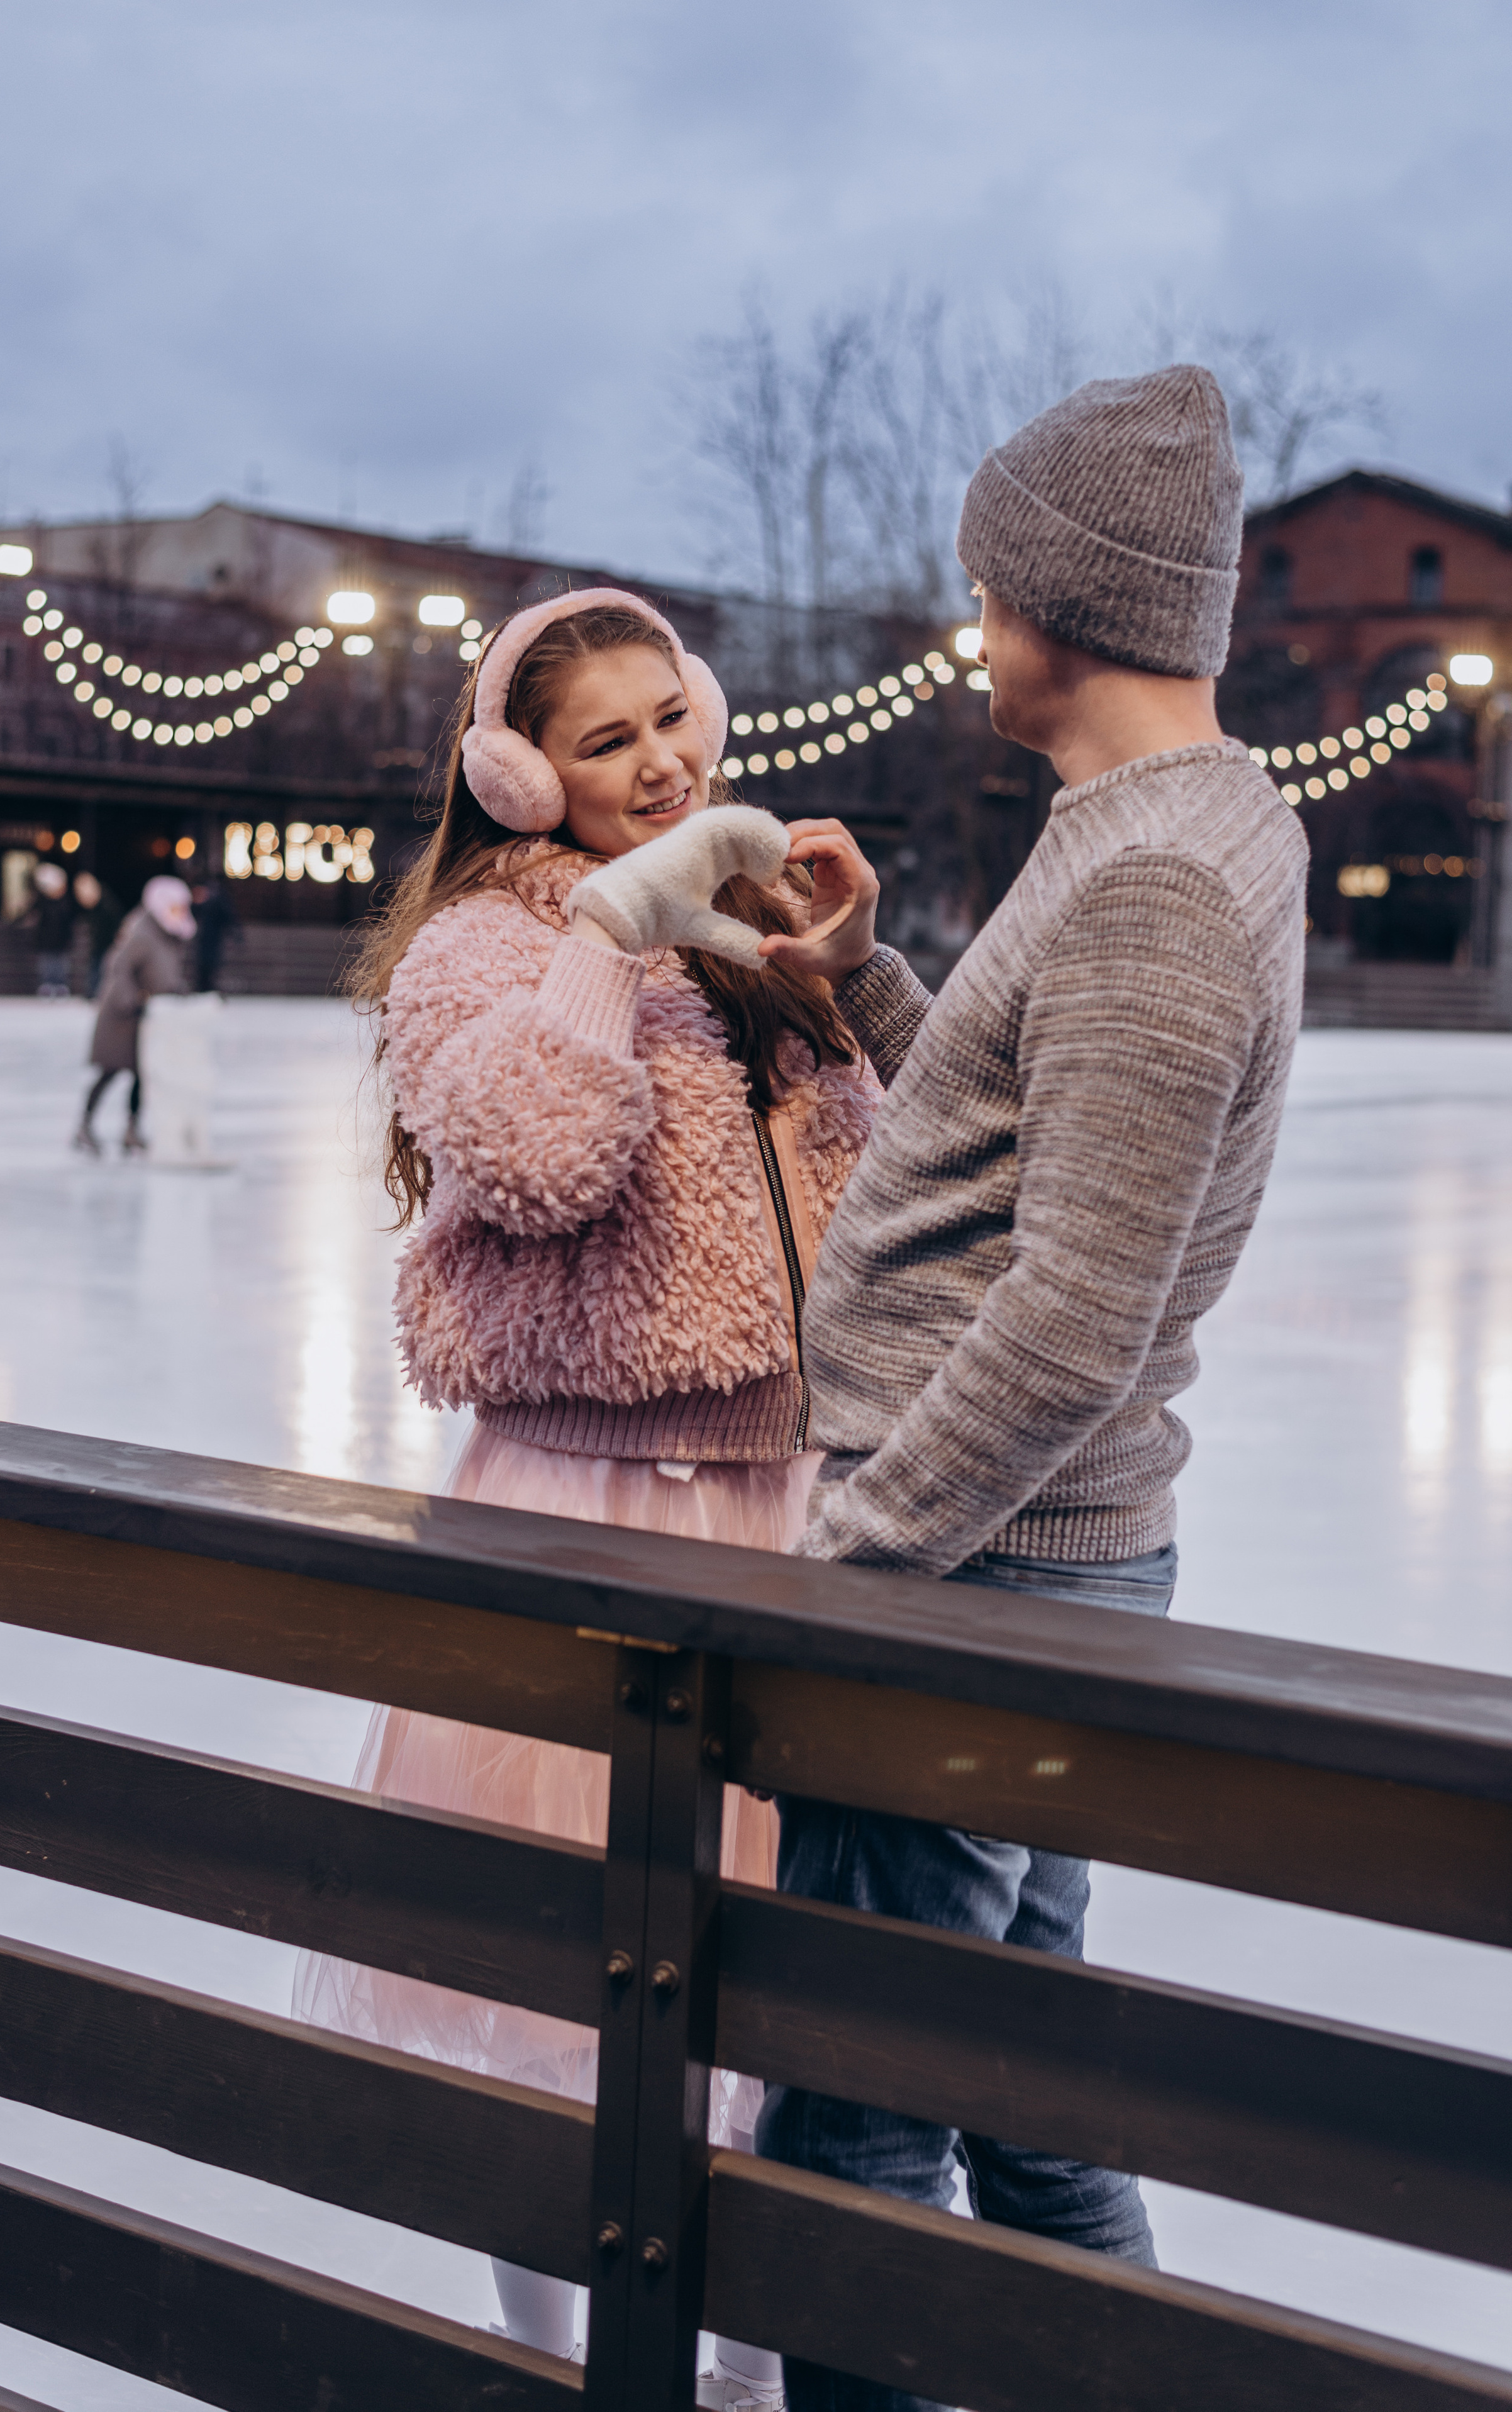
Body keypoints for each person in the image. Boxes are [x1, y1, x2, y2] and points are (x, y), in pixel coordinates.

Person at [749, 367, 1310, 2412]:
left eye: (989, 588)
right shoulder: (1174, 834)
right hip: (1031, 1563)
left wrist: (860, 1559)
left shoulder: (1153, 877)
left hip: (980, 1571)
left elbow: (1077, 1307)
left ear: (1067, 604)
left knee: (854, 2121)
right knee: (1026, 2095)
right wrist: (867, 984)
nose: (973, 624)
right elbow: (1024, 1158)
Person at [291, 588, 880, 2404]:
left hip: (786, 1508)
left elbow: (884, 1190)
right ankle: (551, 2361)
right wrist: (610, 935)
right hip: (587, 1511)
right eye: (606, 739)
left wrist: (841, 973)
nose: (660, 764)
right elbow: (540, 1155)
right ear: (519, 774)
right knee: (551, 1992)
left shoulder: (754, 940)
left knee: (768, 2007)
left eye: (670, 719)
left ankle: (746, 2375)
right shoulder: (480, 948)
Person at [72, 874, 194, 1156]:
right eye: (175, 907)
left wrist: (177, 992)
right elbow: (118, 967)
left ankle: (132, 1130)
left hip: (146, 1019)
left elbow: (164, 973)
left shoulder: (167, 933)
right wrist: (131, 1001)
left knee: (141, 1075)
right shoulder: (142, 933)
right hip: (121, 1019)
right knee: (110, 1072)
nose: (180, 913)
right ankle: (84, 1126)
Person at [23, 861, 74, 996]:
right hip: (45, 940)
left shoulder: (65, 902)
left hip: (61, 940)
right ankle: (47, 985)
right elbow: (31, 913)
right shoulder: (42, 901)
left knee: (60, 964)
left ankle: (61, 985)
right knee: (46, 963)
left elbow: (69, 920)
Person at [72, 869, 123, 998]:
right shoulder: (97, 904)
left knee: (104, 968)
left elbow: (114, 922)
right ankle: (95, 993)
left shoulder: (106, 904)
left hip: (108, 943)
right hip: (100, 943)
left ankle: (100, 993)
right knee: (96, 967)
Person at [191, 878, 239, 993]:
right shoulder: (207, 899)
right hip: (206, 937)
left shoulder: (218, 900)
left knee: (210, 962)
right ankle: (204, 985)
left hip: (213, 937)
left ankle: (207, 985)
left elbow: (227, 917)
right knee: (205, 963)